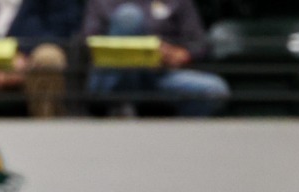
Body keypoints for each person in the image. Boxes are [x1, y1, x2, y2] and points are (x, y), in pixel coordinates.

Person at [83, 0, 229, 117]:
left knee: (214, 89)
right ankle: (123, 106)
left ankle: (178, 140)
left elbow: (199, 44)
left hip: (159, 75)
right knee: (129, 16)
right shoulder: (102, 2)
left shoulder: (176, 2)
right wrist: (143, 48)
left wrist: (178, 54)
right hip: (114, 78)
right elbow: (88, 43)